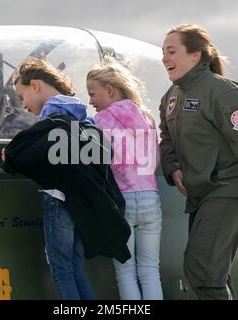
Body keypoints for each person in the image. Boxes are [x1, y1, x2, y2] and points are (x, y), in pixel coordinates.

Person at [159, 24, 238, 300]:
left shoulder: (222, 91)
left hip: (229, 191)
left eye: (172, 51)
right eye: (162, 52)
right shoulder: (171, 97)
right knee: (212, 274)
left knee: (201, 270)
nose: (164, 58)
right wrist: (172, 167)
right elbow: (166, 138)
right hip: (202, 197)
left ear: (196, 55)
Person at [2, 57, 131, 300]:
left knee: (61, 270)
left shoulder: (51, 118)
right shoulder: (81, 113)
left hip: (59, 199)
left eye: (22, 96)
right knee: (75, 268)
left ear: (36, 85)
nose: (23, 105)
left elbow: (40, 154)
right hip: (82, 203)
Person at [86, 58, 163, 300]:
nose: (90, 101)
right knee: (151, 270)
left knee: (125, 271)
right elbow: (156, 159)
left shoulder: (99, 122)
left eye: (92, 93)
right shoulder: (146, 117)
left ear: (109, 90)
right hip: (151, 198)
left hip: (122, 202)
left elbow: (94, 162)